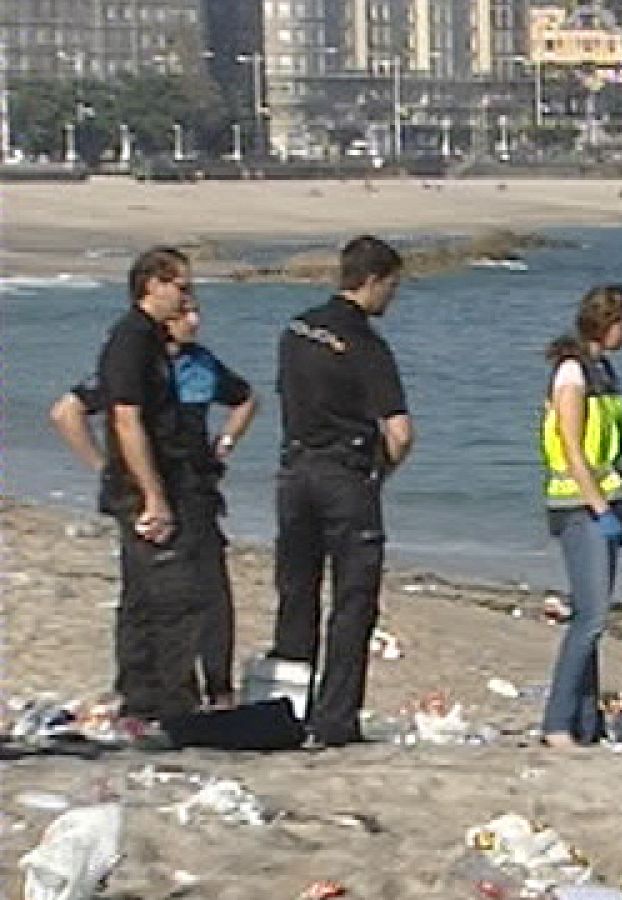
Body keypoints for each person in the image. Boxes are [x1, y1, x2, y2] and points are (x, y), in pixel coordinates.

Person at [51, 295, 257, 709]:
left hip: (197, 491)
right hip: (150, 495)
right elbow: (66, 413)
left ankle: (219, 688)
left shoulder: (203, 363)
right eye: (185, 313)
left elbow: (246, 399)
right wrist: (107, 468)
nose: (194, 320)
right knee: (147, 593)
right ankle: (144, 692)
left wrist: (226, 442)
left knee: (212, 590)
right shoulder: (137, 369)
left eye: (197, 311)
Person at [268, 236, 413, 748]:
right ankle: (334, 720)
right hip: (345, 474)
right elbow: (400, 432)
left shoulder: (296, 330)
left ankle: (284, 708)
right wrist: (379, 475)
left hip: (295, 468)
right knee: (352, 601)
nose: (392, 299)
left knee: (296, 592)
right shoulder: (366, 344)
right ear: (372, 281)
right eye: (391, 287)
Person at [91, 246, 213, 741]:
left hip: (157, 478)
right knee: (172, 596)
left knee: (143, 595)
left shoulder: (151, 341)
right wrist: (153, 495)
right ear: (152, 285)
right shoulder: (131, 341)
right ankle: (166, 703)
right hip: (145, 485)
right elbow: (125, 418)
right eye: (180, 287)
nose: (187, 298)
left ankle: (141, 703)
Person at [537, 284, 622, 748]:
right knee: (592, 617)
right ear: (605, 323)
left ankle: (586, 723)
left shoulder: (603, 370)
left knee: (591, 615)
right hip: (578, 507)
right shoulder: (571, 374)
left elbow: (609, 448)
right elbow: (574, 449)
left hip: (606, 499)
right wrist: (601, 510)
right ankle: (557, 723)